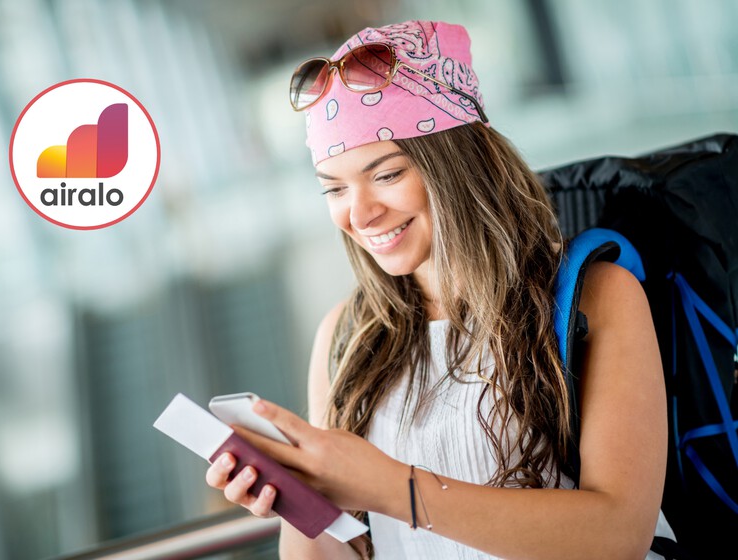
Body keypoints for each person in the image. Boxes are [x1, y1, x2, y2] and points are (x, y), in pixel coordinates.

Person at [205, 20, 676, 559]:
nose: (359, 214)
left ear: (457, 164)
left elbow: (618, 536)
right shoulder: (345, 336)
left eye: (386, 175)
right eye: (334, 189)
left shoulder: (596, 296)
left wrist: (390, 487)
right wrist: (297, 496)